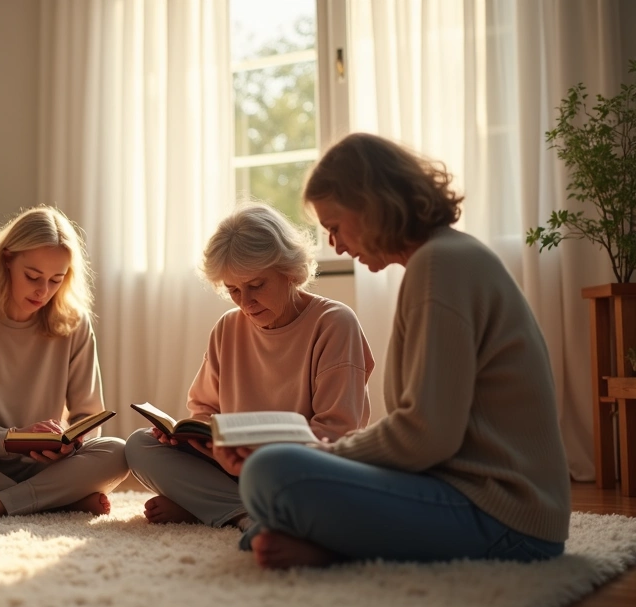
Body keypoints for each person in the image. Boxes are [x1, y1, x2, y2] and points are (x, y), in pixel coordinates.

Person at [220, 132, 571, 569]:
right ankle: (323, 540)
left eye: (334, 225)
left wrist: (322, 455)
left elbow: (425, 436)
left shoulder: (440, 266)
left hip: (507, 519)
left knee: (270, 472)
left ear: (371, 206)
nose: (335, 244)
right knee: (273, 477)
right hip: (485, 502)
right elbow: (428, 435)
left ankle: (332, 545)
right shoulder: (444, 258)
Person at [124, 202, 374, 529]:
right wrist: (191, 436)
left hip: (296, 467)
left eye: (256, 285)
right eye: (233, 290)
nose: (245, 302)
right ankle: (243, 512)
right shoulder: (228, 326)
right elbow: (204, 409)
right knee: (140, 445)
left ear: (290, 272)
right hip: (232, 465)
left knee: (320, 488)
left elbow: (337, 434)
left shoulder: (334, 323)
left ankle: (207, 504)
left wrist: (256, 452)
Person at [0, 206, 129, 517]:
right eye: (33, 276)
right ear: (7, 259)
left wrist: (70, 445)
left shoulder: (75, 323)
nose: (43, 291)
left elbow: (89, 419)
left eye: (56, 280)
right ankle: (58, 500)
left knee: (117, 452)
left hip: (50, 466)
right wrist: (9, 441)